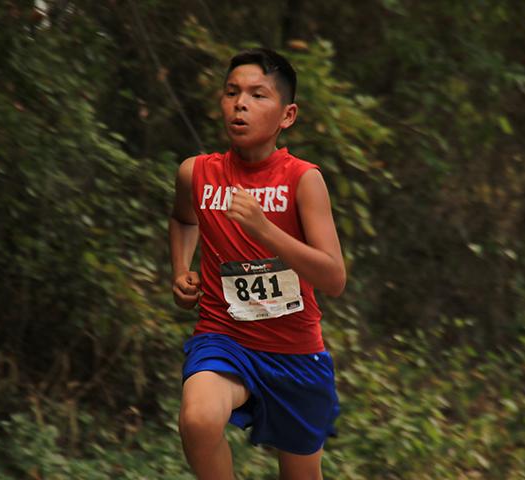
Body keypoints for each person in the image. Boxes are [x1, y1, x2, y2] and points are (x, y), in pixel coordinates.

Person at [169, 47, 346, 480]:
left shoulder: (304, 180)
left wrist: (264, 230)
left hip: (295, 352)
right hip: (224, 336)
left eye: (257, 95)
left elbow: (333, 277)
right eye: (232, 92)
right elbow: (181, 218)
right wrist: (180, 269)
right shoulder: (196, 173)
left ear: (287, 115)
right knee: (197, 418)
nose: (241, 103)